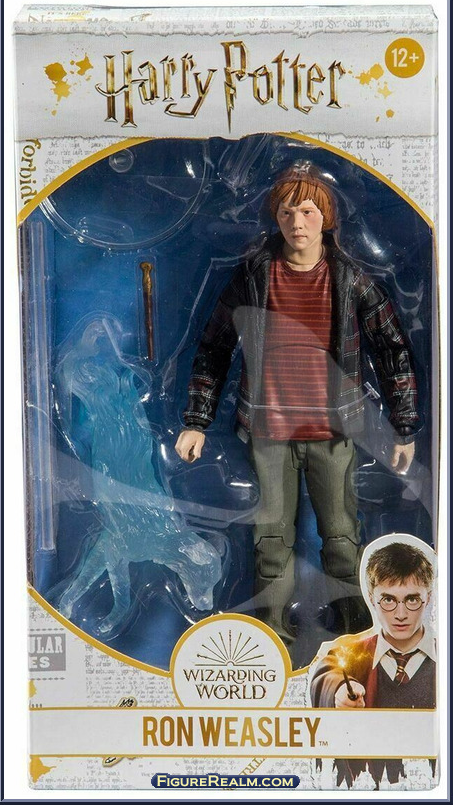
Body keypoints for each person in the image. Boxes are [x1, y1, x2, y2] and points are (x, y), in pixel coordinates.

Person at [175, 164, 418, 655]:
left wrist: (404, 427)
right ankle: (270, 636)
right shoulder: (253, 276)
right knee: (270, 542)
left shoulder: (350, 279)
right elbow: (215, 346)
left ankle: (358, 633)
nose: (297, 222)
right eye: (287, 212)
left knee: (343, 538)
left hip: (333, 432)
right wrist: (197, 421)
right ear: (276, 217)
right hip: (270, 431)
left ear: (326, 216)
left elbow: (392, 348)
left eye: (307, 211)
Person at [309, 539, 436, 788]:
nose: (401, 614)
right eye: (388, 600)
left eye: (412, 600)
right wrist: (338, 691)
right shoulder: (353, 653)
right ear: (371, 598)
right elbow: (328, 670)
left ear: (428, 597)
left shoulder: (444, 658)